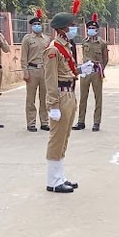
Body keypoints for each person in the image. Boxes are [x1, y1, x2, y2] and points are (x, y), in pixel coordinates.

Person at [44, 12, 93, 192]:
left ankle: (60, 176)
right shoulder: (53, 49)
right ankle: (53, 181)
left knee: (64, 137)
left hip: (70, 93)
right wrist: (53, 105)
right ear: (62, 28)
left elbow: (66, 71)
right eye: (71, 25)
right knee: (57, 138)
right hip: (60, 96)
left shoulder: (66, 46)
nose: (74, 28)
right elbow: (50, 79)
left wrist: (80, 70)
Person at [73, 15, 108, 132]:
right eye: (89, 28)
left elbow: (105, 59)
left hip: (96, 72)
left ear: (97, 30)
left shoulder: (102, 43)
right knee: (83, 97)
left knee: (98, 98)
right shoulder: (84, 41)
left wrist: (101, 69)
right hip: (85, 72)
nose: (90, 30)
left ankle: (96, 122)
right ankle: (80, 121)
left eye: (93, 28)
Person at [21, 13, 51, 132]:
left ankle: (44, 122)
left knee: (44, 98)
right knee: (31, 99)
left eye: (39, 24)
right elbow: (24, 56)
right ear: (31, 26)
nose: (37, 26)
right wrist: (25, 71)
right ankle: (31, 123)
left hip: (44, 70)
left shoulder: (47, 39)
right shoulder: (27, 39)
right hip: (32, 70)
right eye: (35, 24)